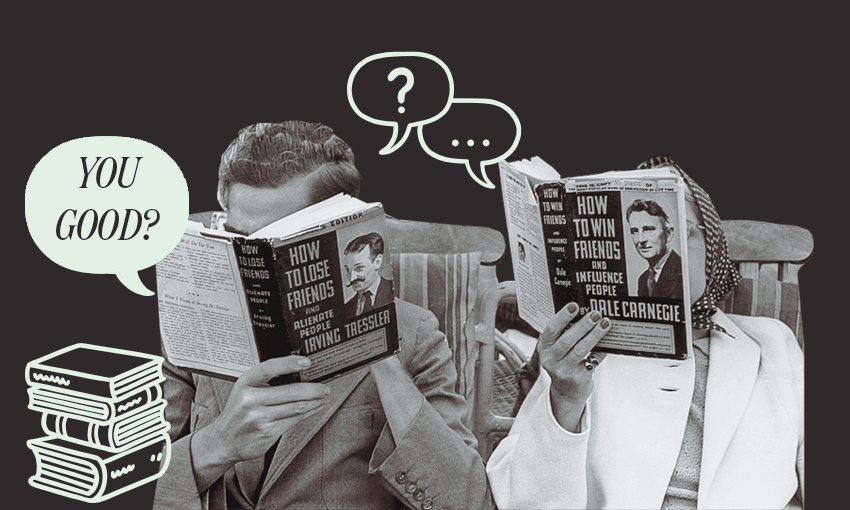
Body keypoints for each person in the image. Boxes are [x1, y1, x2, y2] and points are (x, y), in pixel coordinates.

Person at [154, 122, 493, 510]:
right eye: (239, 240)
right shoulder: (190, 324)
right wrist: (217, 444)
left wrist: (380, 356)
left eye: (272, 244)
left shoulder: (415, 335)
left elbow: (468, 501)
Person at [486, 156, 804, 509]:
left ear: (710, 243)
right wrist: (565, 399)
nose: (642, 242)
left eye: (678, 230)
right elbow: (523, 499)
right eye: (632, 232)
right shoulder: (580, 350)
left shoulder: (773, 343)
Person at [626, 198, 683, 299]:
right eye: (634, 231)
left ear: (669, 234)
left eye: (648, 229)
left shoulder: (683, 272)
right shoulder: (643, 280)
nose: (641, 239)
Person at [343, 232, 394, 316]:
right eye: (348, 270)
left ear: (377, 262)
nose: (352, 278)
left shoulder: (394, 291)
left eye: (359, 268)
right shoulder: (346, 309)